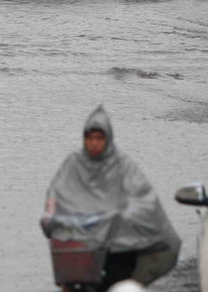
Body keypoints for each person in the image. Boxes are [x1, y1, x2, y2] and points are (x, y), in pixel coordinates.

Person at [41, 106, 180, 292]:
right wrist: (51, 216)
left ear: (108, 139)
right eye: (90, 138)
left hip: (118, 248)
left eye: (99, 138)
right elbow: (56, 195)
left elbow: (144, 200)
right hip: (83, 249)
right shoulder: (73, 163)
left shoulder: (123, 165)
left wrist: (119, 218)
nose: (94, 143)